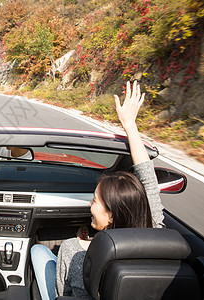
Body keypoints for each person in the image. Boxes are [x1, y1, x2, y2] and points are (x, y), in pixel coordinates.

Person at [31, 80, 164, 300]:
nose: (89, 205)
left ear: (111, 215)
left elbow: (62, 296)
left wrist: (129, 123)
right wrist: (130, 125)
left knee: (38, 251)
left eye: (94, 201)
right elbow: (148, 179)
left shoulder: (74, 252)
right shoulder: (156, 231)